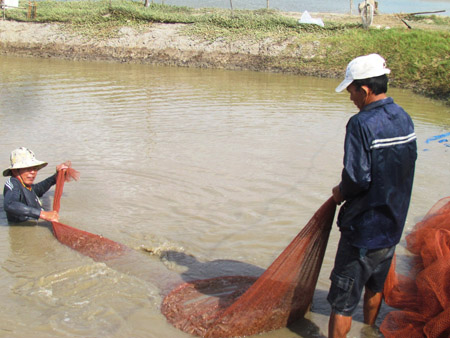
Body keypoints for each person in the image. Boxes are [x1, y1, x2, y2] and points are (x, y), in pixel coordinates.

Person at [328, 54, 417, 337]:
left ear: (364, 90)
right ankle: (368, 331)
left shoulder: (360, 124)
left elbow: (357, 178)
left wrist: (339, 193)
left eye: (351, 90)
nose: (350, 97)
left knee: (342, 302)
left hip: (363, 232)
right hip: (392, 226)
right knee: (375, 286)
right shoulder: (404, 117)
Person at [3, 147, 71, 223]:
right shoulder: (13, 183)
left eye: (35, 168)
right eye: (28, 168)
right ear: (15, 171)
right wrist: (43, 214)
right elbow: (10, 204)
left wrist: (57, 176)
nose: (33, 172)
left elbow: (39, 189)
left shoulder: (26, 185)